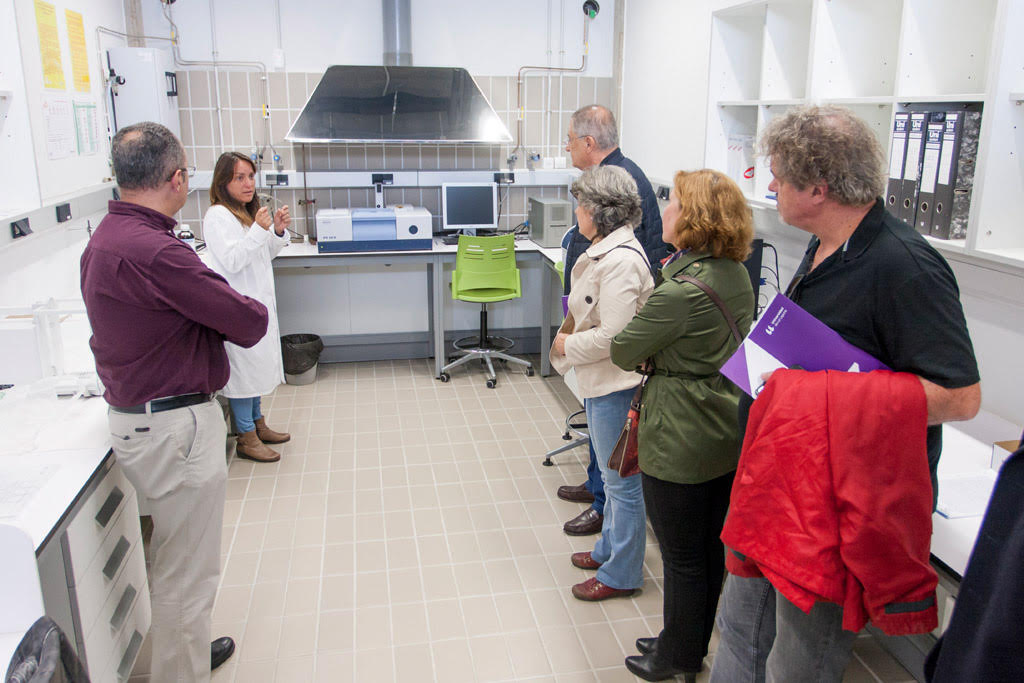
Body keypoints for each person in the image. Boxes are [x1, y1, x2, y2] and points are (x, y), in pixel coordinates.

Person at [709, 105, 981, 683]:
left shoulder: (905, 266)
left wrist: (817, 397)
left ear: (818, 186)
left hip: (835, 508)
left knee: (796, 665)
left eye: (779, 173)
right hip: (778, 487)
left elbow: (960, 397)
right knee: (737, 629)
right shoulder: (823, 244)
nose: (771, 184)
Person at [80, 122, 269, 683]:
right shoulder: (158, 252)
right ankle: (181, 671)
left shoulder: (104, 242)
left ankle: (182, 652)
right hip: (175, 428)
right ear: (178, 177)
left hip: (140, 421)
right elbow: (248, 320)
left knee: (173, 560)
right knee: (187, 573)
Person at [609, 169, 755, 681]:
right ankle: (685, 636)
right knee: (707, 547)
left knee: (681, 556)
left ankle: (678, 656)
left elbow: (624, 348)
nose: (662, 209)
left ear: (692, 218)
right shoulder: (734, 273)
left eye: (672, 203)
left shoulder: (679, 293)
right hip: (722, 423)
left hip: (679, 432)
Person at [557, 104, 670, 537]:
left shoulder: (620, 181)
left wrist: (571, 342)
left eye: (570, 139)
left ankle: (605, 504)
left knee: (612, 439)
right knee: (598, 418)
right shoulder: (610, 175)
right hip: (594, 330)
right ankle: (596, 486)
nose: (566, 146)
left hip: (610, 350)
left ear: (589, 142)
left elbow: (619, 317)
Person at [550, 165, 655, 601]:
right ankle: (609, 549)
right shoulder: (604, 250)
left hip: (618, 384)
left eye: (581, 204)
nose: (577, 210)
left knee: (622, 485)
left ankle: (622, 574)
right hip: (601, 381)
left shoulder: (622, 262)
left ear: (599, 211)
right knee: (613, 483)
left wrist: (565, 345)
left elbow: (616, 336)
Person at [203, 151, 292, 463]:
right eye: (239, 177)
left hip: (254, 305)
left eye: (251, 176)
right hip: (237, 308)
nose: (248, 183)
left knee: (254, 370)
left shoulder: (243, 212)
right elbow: (233, 259)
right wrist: (258, 230)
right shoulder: (217, 216)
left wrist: (277, 231)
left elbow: (262, 254)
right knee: (243, 374)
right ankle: (246, 437)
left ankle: (258, 424)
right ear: (223, 181)